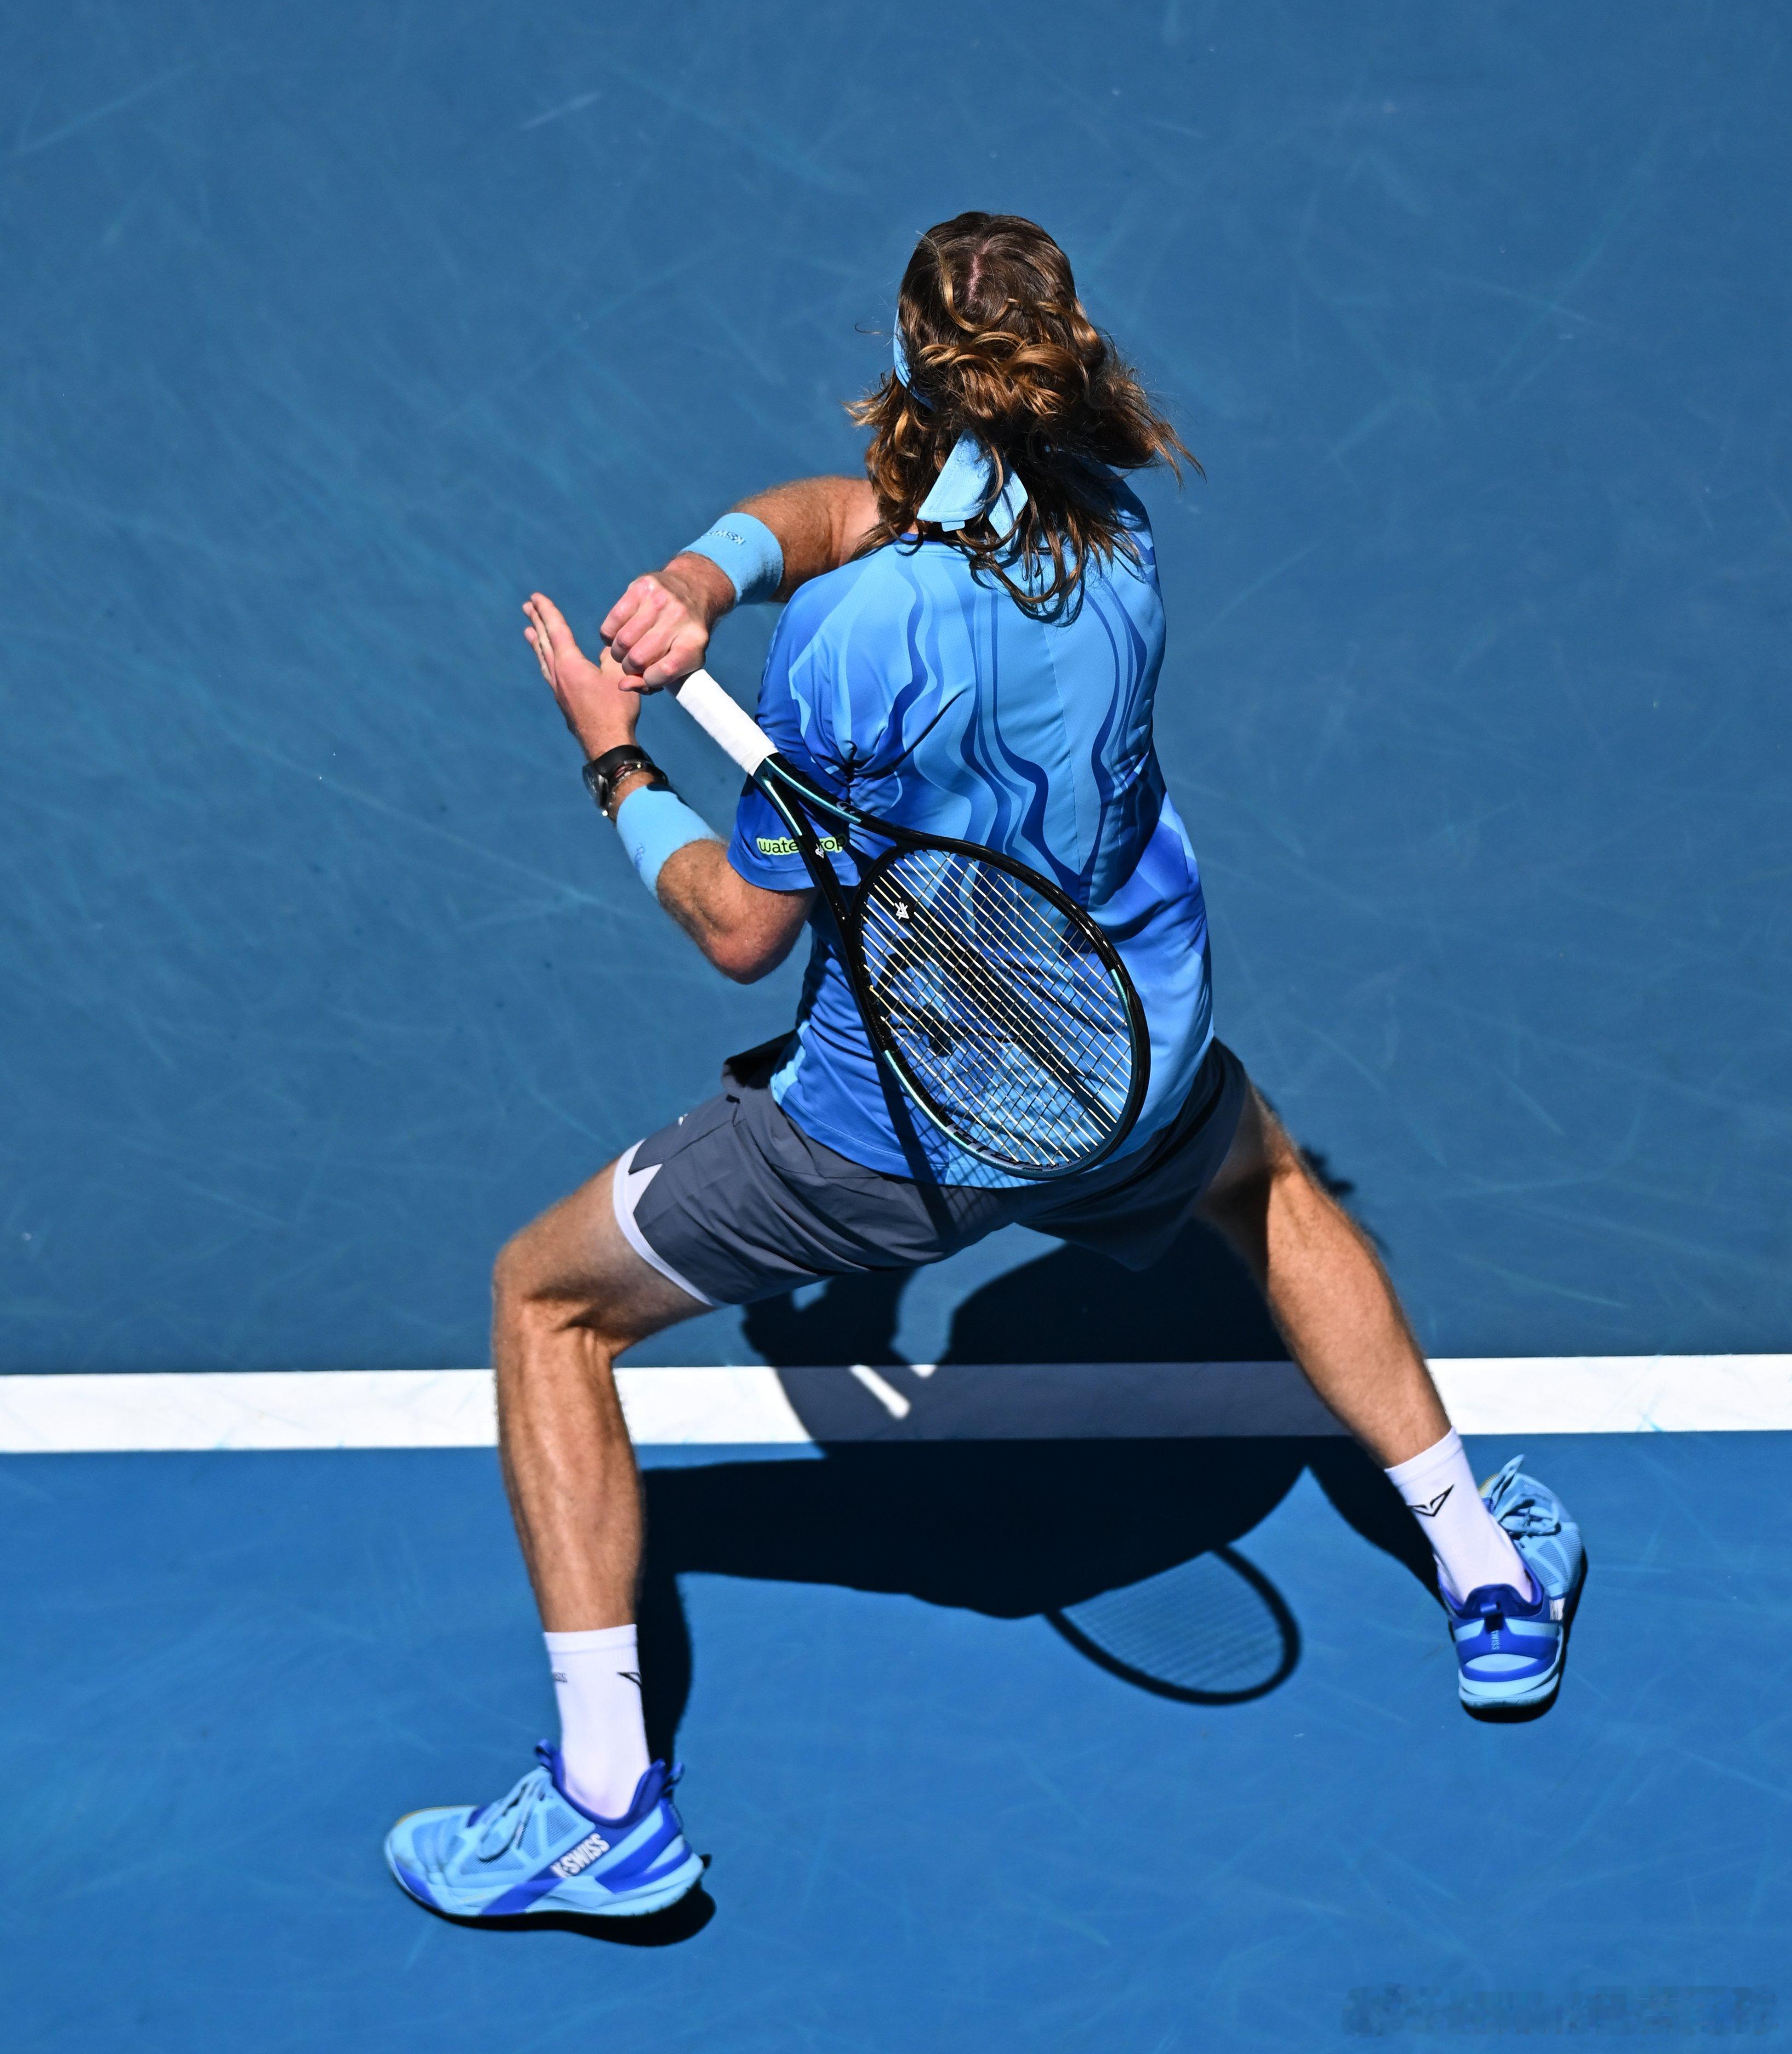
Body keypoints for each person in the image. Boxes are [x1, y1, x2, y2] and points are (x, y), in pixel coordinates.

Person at [384, 213, 1585, 1923]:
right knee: (1269, 1187)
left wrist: (613, 763)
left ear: (902, 374)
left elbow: (740, 929)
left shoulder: (852, 644)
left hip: (901, 1135)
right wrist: (711, 572)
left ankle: (600, 1809)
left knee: (546, 1303)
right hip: (1127, 1056)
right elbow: (855, 514)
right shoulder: (1116, 536)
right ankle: (1489, 1572)